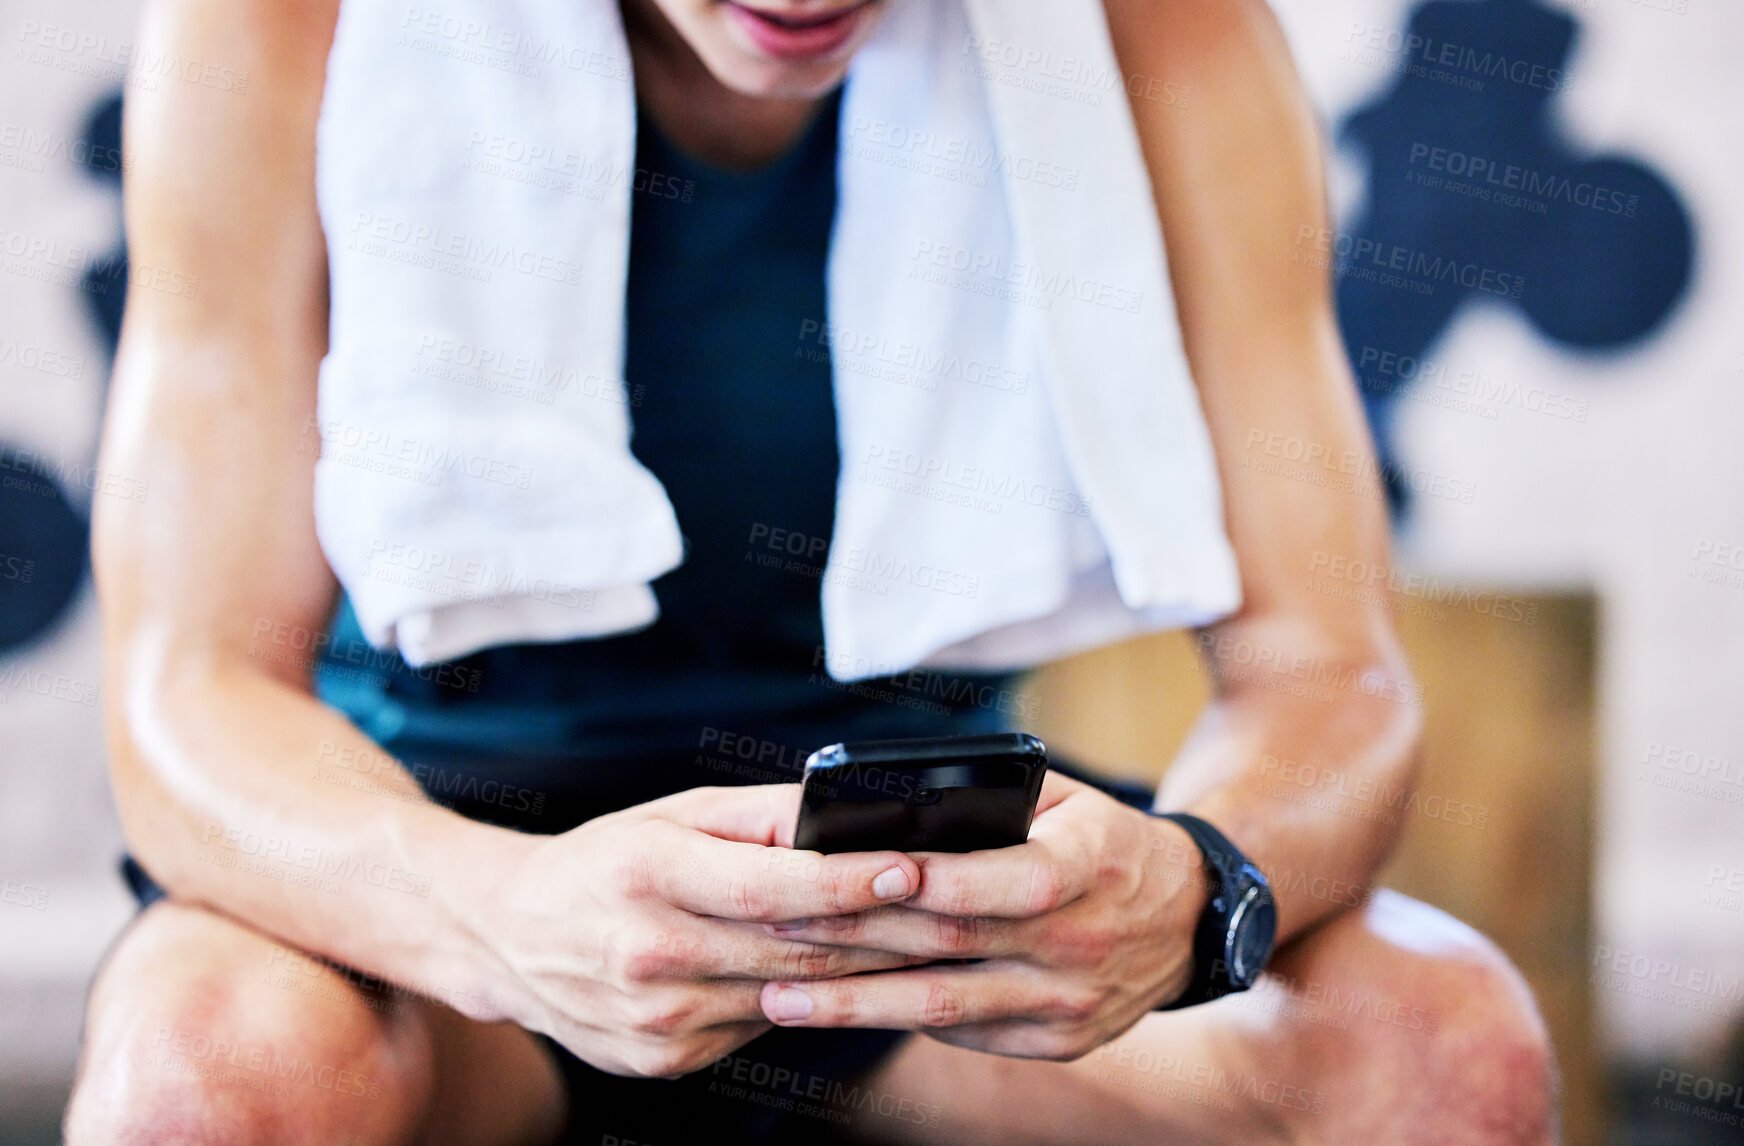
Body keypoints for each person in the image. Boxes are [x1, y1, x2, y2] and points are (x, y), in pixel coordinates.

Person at [66, 0, 1557, 1143]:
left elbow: (1330, 673)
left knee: (1448, 1039)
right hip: (445, 873)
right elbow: (181, 706)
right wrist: (502, 917)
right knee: (208, 1072)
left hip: (924, 903)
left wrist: (1194, 882)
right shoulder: (286, 26)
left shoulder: (1156, 33)